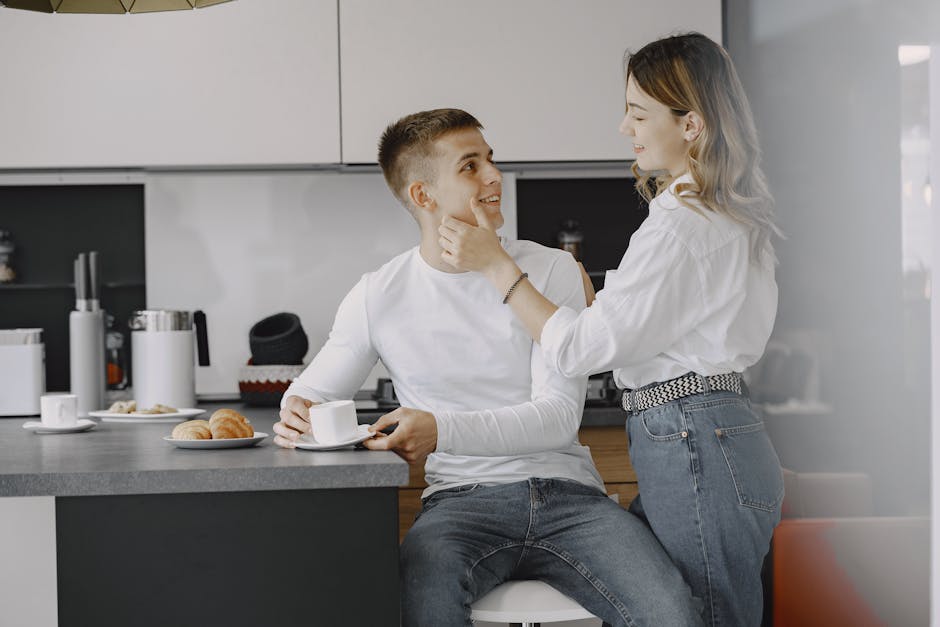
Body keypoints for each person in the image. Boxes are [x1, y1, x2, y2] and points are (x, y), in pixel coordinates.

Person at [274, 108, 703, 626]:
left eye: (490, 160)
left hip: (570, 498)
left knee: (673, 614)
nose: (494, 176)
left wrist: (440, 428)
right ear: (423, 196)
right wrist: (297, 408)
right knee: (423, 603)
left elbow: (556, 420)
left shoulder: (551, 269)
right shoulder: (378, 294)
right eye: (470, 166)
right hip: (459, 506)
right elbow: (311, 390)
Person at [438, 34, 784, 627]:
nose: (625, 126)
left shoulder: (681, 223)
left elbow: (578, 351)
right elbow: (663, 324)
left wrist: (497, 263)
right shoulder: (716, 207)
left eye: (639, 112)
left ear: (692, 125)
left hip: (691, 439)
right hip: (707, 433)